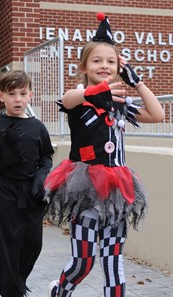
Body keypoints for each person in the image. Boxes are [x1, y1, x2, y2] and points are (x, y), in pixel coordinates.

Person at [45, 12, 165, 297]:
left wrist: (136, 80)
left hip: (117, 190)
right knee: (83, 262)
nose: (104, 65)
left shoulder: (120, 101)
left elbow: (157, 113)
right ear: (84, 66)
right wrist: (94, 91)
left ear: (118, 67)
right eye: (97, 61)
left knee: (113, 261)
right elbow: (66, 99)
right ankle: (60, 290)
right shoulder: (80, 97)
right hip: (84, 188)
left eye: (111, 61)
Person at [0, 70, 54, 296]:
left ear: (30, 95)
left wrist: (41, 178)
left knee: (33, 242)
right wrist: (4, 145)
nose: (17, 99)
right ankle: (13, 292)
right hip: (3, 190)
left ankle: (16, 284)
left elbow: (46, 157)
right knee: (9, 243)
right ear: (1, 96)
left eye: (22, 93)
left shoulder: (38, 126)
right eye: (12, 94)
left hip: (31, 190)